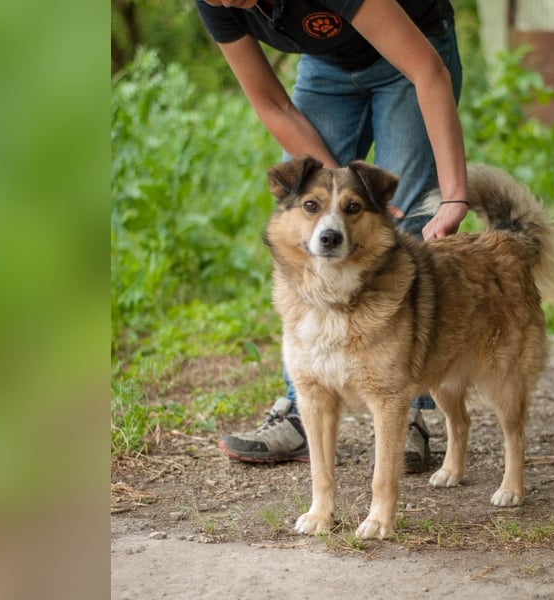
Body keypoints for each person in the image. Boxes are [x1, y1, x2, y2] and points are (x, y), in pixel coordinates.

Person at [194, 0, 469, 472]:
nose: (219, 1)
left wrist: (455, 195)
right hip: (327, 67)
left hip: (410, 55)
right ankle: (305, 408)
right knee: (309, 223)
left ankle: (411, 412)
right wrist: (331, 192)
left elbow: (428, 71)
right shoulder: (214, 2)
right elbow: (272, 102)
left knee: (396, 225)